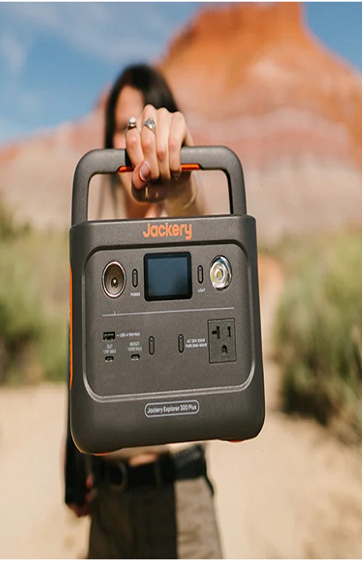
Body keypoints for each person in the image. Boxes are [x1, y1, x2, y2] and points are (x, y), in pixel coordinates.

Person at [65, 63, 223, 559]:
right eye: (120, 124)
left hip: (181, 503)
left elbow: (202, 226)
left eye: (144, 121)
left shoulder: (184, 222)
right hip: (109, 506)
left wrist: (181, 186)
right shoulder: (95, 234)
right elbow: (81, 360)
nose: (132, 135)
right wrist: (73, 457)